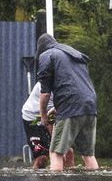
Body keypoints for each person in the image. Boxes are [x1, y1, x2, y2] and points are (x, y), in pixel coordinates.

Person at [36, 33, 99, 171]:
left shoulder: (47, 55)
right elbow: (74, 85)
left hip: (70, 106)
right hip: (90, 104)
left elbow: (45, 93)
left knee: (56, 152)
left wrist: (43, 115)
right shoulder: (73, 53)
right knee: (88, 154)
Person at [21, 82, 74, 169]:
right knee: (42, 158)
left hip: (51, 115)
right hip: (33, 118)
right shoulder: (47, 85)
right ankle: (35, 179)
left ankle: (68, 179)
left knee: (69, 152)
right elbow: (49, 122)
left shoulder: (68, 84)